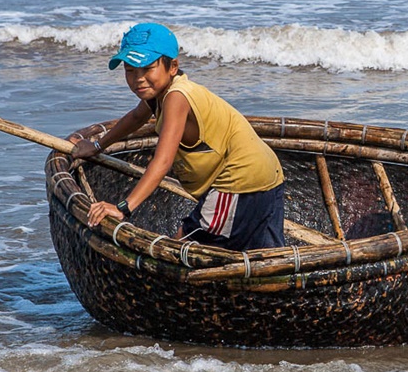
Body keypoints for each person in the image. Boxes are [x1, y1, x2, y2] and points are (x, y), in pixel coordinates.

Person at [71, 22, 285, 251]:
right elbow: (135, 118)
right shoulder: (159, 94)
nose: (138, 79)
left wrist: (123, 208)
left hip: (239, 180)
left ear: (172, 66)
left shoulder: (176, 97)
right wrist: (96, 145)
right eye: (130, 70)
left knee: (182, 248)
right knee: (264, 253)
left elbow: (163, 161)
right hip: (267, 172)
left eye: (147, 68)